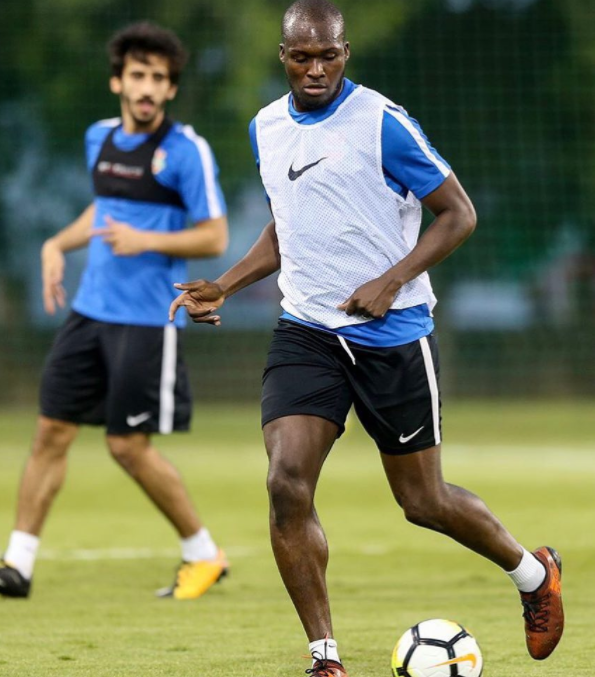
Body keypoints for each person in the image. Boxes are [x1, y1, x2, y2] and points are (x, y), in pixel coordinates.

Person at [170, 1, 564, 674]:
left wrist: (390, 280)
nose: (315, 69)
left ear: (344, 53)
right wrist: (226, 285)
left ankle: (533, 574)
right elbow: (287, 225)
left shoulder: (382, 123)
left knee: (423, 502)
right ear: (283, 57)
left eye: (327, 55)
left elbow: (458, 214)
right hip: (307, 332)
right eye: (302, 56)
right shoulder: (266, 127)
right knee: (286, 481)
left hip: (392, 335)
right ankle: (325, 657)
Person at [0, 21, 229, 602]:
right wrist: (56, 244)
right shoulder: (98, 138)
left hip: (149, 319)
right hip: (88, 313)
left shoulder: (186, 151)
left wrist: (147, 240)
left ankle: (203, 552)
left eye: (158, 78)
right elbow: (103, 212)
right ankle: (17, 565)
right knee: (50, 431)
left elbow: (215, 236)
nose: (147, 87)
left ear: (170, 88)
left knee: (127, 447)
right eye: (137, 75)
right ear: (118, 82)